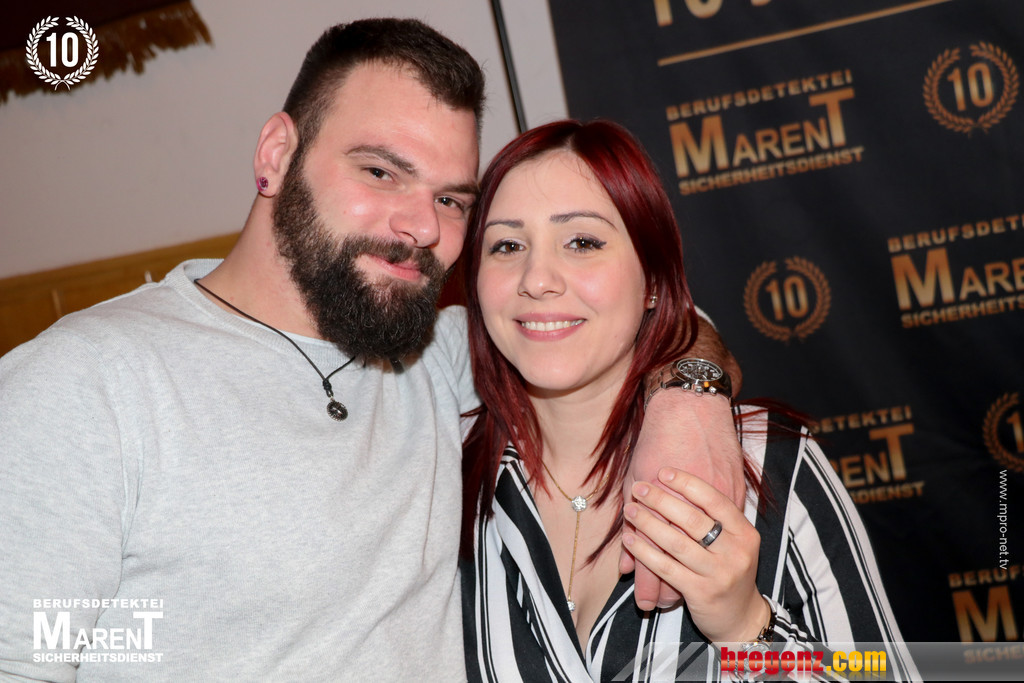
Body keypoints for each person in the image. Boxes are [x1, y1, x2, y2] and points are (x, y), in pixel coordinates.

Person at [0, 19, 742, 681]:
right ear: (276, 154)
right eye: (381, 171)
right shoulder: (85, 384)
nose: (422, 225)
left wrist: (690, 402)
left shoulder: (434, 356)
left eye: (451, 199)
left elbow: (629, 317)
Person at [459, 119, 920, 681]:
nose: (537, 279)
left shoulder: (767, 463)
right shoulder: (442, 481)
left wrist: (746, 627)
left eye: (582, 242)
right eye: (507, 245)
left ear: (654, 279)